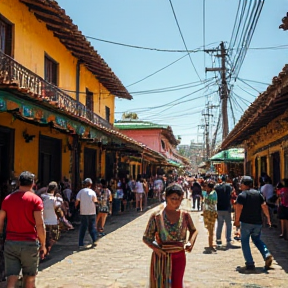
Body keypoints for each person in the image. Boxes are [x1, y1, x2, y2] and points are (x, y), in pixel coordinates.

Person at [143, 183, 198, 288]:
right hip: (161, 257)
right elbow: (146, 238)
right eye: (173, 198)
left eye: (179, 199)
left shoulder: (185, 215)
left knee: (177, 284)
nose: (176, 201)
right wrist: (157, 249)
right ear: (166, 197)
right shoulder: (157, 216)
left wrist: (190, 242)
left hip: (179, 256)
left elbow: (194, 230)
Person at [0, 171, 46, 288]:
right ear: (33, 184)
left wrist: (1, 237)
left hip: (11, 242)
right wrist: (43, 244)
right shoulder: (36, 200)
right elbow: (39, 224)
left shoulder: (7, 199)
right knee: (29, 279)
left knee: (11, 278)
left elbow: (0, 220)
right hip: (29, 243)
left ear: (19, 183)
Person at [234, 176, 273, 270]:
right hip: (257, 222)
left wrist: (236, 220)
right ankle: (266, 253)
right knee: (257, 239)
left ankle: (250, 263)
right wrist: (268, 218)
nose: (240, 185)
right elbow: (264, 206)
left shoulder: (242, 195)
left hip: (246, 223)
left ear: (244, 185)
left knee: (245, 242)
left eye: (241, 183)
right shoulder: (258, 194)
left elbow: (238, 208)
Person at [75, 178, 98, 250]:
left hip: (83, 212)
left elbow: (77, 201)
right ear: (90, 185)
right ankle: (94, 240)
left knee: (83, 228)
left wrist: (76, 207)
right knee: (92, 227)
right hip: (92, 211)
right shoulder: (92, 192)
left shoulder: (81, 192)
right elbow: (95, 201)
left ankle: (81, 243)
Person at [41, 181, 61, 257]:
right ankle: (47, 250)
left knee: (44, 238)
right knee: (53, 238)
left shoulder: (42, 197)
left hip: (43, 221)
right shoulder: (54, 199)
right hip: (52, 221)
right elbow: (58, 209)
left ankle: (44, 251)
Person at [215, 175, 233, 248]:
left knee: (219, 224)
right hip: (227, 207)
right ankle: (228, 239)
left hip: (219, 207)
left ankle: (218, 240)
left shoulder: (216, 187)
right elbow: (231, 195)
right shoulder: (229, 187)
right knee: (228, 224)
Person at [202, 180, 218, 253]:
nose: (206, 188)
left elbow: (210, 201)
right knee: (209, 228)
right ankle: (210, 243)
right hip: (206, 213)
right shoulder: (206, 193)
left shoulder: (213, 193)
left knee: (211, 229)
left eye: (207, 187)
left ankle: (211, 244)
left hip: (211, 213)